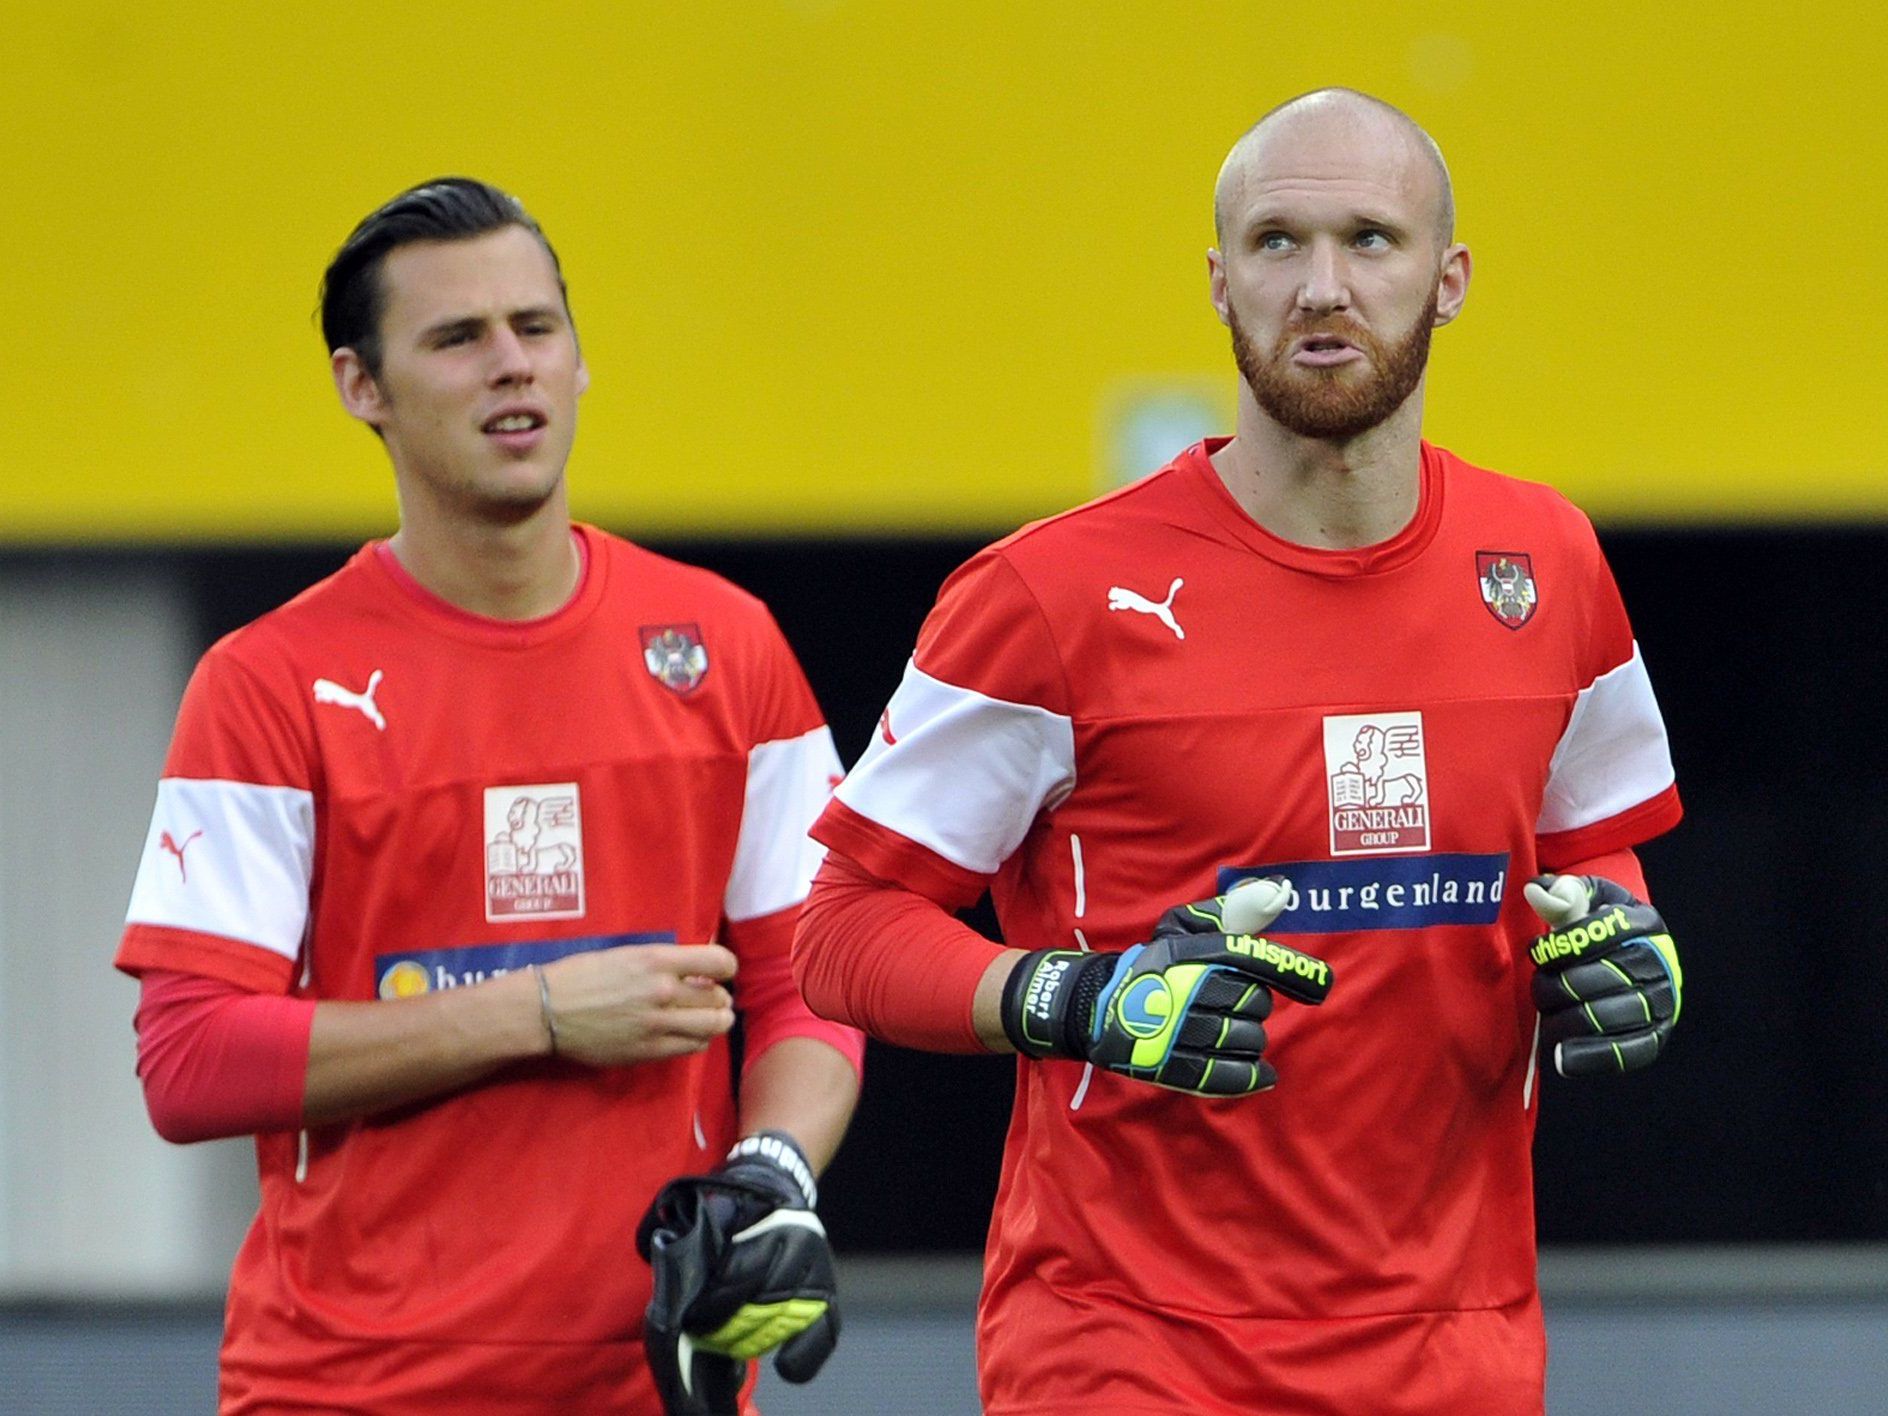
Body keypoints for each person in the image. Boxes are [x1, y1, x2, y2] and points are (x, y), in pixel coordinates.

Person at [793, 88, 1684, 1416]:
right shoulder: (1045, 597)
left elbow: (1584, 854)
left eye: (1370, 241)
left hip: (1461, 1347)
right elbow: (842, 928)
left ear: (1450, 282)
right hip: (1130, 1348)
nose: (1321, 286)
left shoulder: (1547, 565)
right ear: (1218, 282)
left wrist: (1628, 948)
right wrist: (1073, 1002)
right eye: (1278, 244)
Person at [116, 178, 864, 1415]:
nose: (510, 366)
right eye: (457, 339)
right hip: (346, 1388)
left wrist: (772, 1171)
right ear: (364, 388)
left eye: (537, 328)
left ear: (579, 361)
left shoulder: (727, 647)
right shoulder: (266, 683)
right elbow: (190, 1061)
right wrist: (538, 1013)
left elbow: (814, 982)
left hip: (655, 1384)